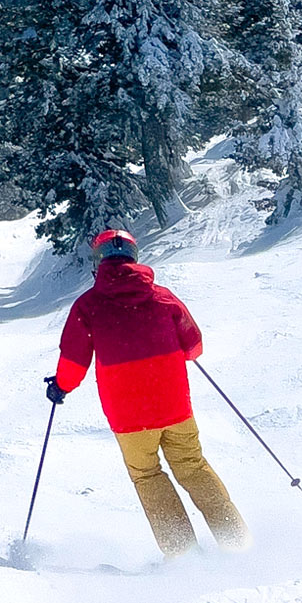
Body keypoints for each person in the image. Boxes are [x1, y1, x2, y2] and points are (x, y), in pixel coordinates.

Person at [44, 228, 250, 558]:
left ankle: (184, 557)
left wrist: (61, 387)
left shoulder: (88, 305)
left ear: (98, 262)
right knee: (193, 467)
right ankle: (237, 542)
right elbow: (194, 345)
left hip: (129, 417)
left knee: (148, 476)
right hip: (174, 407)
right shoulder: (162, 297)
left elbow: (74, 359)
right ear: (134, 256)